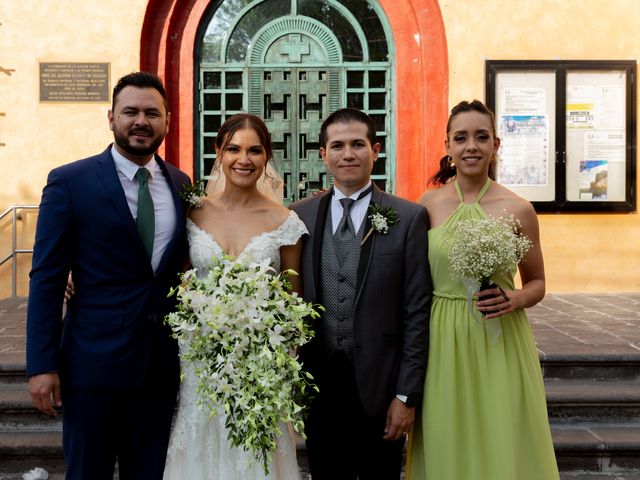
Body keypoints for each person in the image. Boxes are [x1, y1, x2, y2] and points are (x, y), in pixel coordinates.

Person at [26, 72, 191, 479]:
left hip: (157, 367)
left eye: (152, 113)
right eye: (130, 111)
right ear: (111, 118)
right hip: (91, 368)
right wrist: (41, 365)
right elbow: (47, 276)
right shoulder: (70, 182)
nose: (141, 121)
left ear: (167, 120)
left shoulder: (181, 184)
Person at [407, 100, 559, 479]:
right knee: (447, 431)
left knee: (501, 430)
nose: (471, 146)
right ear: (447, 146)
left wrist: (516, 298)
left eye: (481, 137)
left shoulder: (519, 208)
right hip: (442, 337)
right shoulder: (426, 206)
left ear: (496, 144)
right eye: (461, 138)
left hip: (499, 338)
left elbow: (537, 281)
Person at [163, 113, 307, 479]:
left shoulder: (285, 221)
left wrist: (272, 360)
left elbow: (294, 303)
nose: (244, 159)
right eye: (234, 149)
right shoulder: (191, 212)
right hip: (200, 363)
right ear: (219, 152)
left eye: (255, 151)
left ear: (266, 157)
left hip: (259, 367)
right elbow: (174, 279)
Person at [291, 108, 431, 479]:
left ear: (376, 150)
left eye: (357, 144)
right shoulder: (299, 216)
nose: (347, 154)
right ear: (323, 154)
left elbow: (417, 312)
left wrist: (406, 395)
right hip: (319, 382)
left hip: (382, 384)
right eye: (337, 145)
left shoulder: (409, 217)